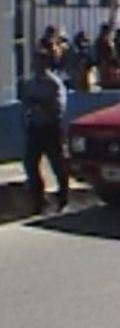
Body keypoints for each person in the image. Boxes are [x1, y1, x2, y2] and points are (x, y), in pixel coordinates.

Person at [18, 50, 70, 214]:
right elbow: (25, 102)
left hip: (51, 128)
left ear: (46, 64)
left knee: (57, 164)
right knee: (30, 163)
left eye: (40, 62)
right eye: (35, 62)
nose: (36, 65)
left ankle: (63, 196)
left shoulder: (54, 83)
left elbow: (59, 106)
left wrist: (42, 106)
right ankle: (39, 199)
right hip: (35, 128)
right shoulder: (31, 83)